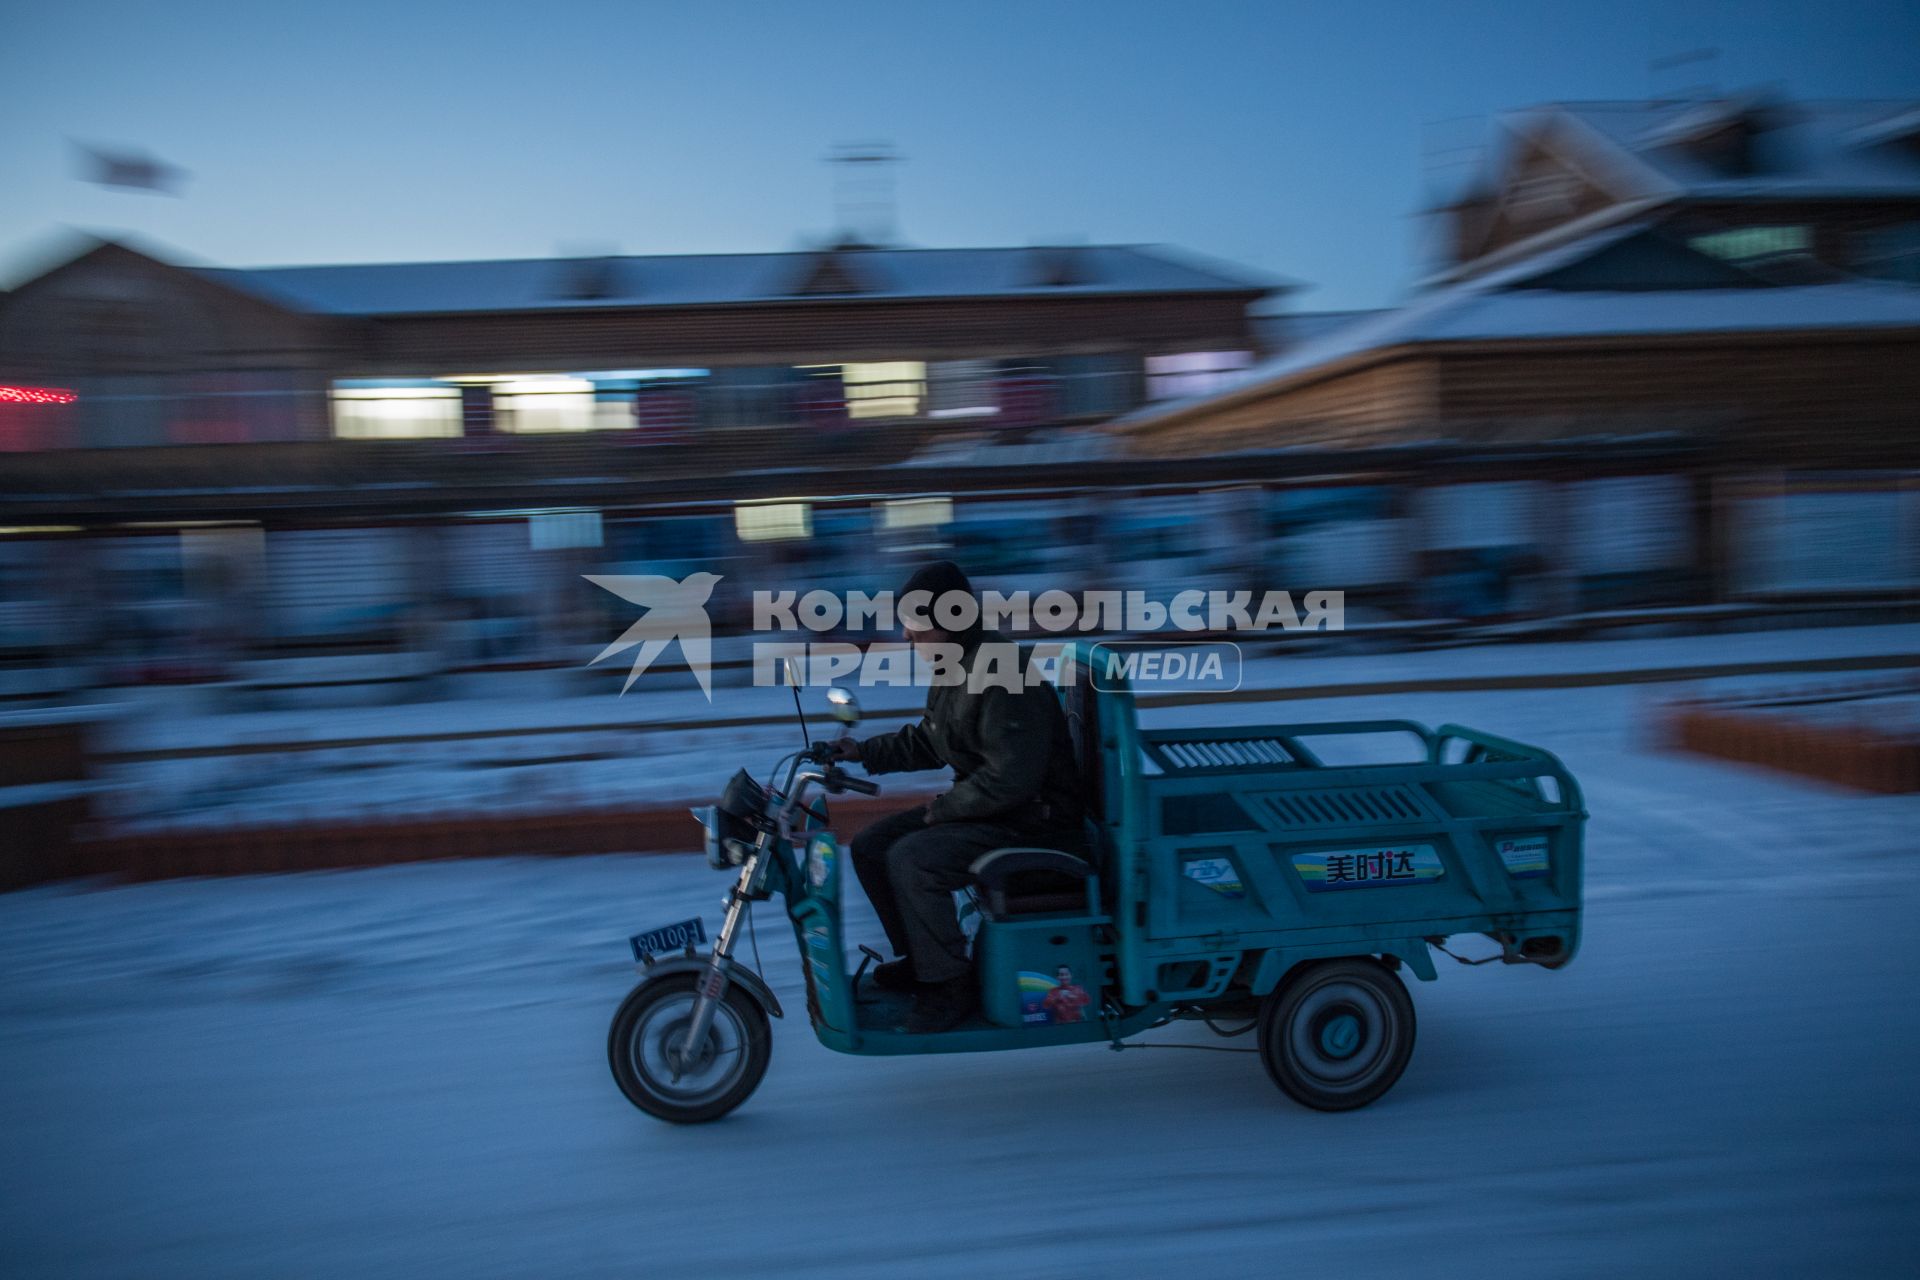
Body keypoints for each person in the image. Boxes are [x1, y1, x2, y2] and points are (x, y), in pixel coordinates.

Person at [833, 560, 1086, 1034]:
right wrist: (860, 752)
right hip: (993, 808)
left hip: (1033, 820)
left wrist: (944, 811)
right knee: (871, 846)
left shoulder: (1001, 671)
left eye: (917, 628)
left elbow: (1012, 779)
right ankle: (922, 961)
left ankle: (949, 985)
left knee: (915, 860)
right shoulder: (957, 664)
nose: (908, 639)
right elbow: (932, 739)